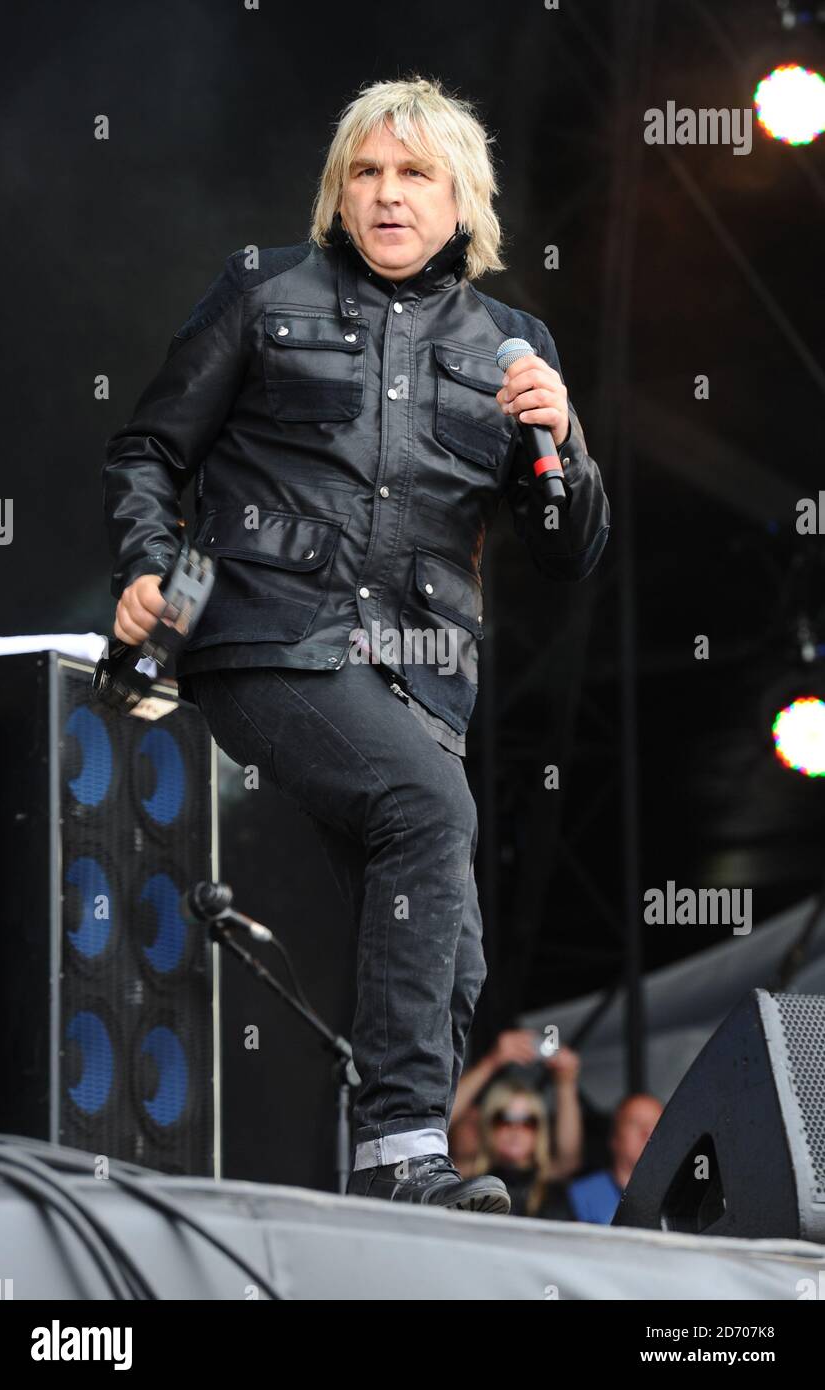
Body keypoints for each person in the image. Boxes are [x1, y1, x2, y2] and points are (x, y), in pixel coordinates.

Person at [103, 75, 610, 1213]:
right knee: (430, 816)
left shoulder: (512, 342)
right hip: (264, 632)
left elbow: (569, 551)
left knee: (455, 961)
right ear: (339, 190)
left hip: (421, 682)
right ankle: (399, 1156)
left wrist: (561, 444)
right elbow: (148, 451)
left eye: (413, 174)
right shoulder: (263, 288)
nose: (386, 195)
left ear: (461, 200)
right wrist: (146, 566)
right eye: (366, 173)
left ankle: (385, 1190)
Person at [453, 1040, 584, 1218]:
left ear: (539, 1130)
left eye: (527, 1121)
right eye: (505, 1119)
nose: (516, 1130)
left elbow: (569, 1156)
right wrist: (491, 1062)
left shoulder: (548, 1177)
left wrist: (565, 1083)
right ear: (488, 1124)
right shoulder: (463, 1177)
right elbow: (435, 1123)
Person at [566, 1093, 663, 1224]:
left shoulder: (679, 1196)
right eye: (635, 1123)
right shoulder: (580, 1196)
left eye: (657, 1125)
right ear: (614, 1137)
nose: (647, 1132)